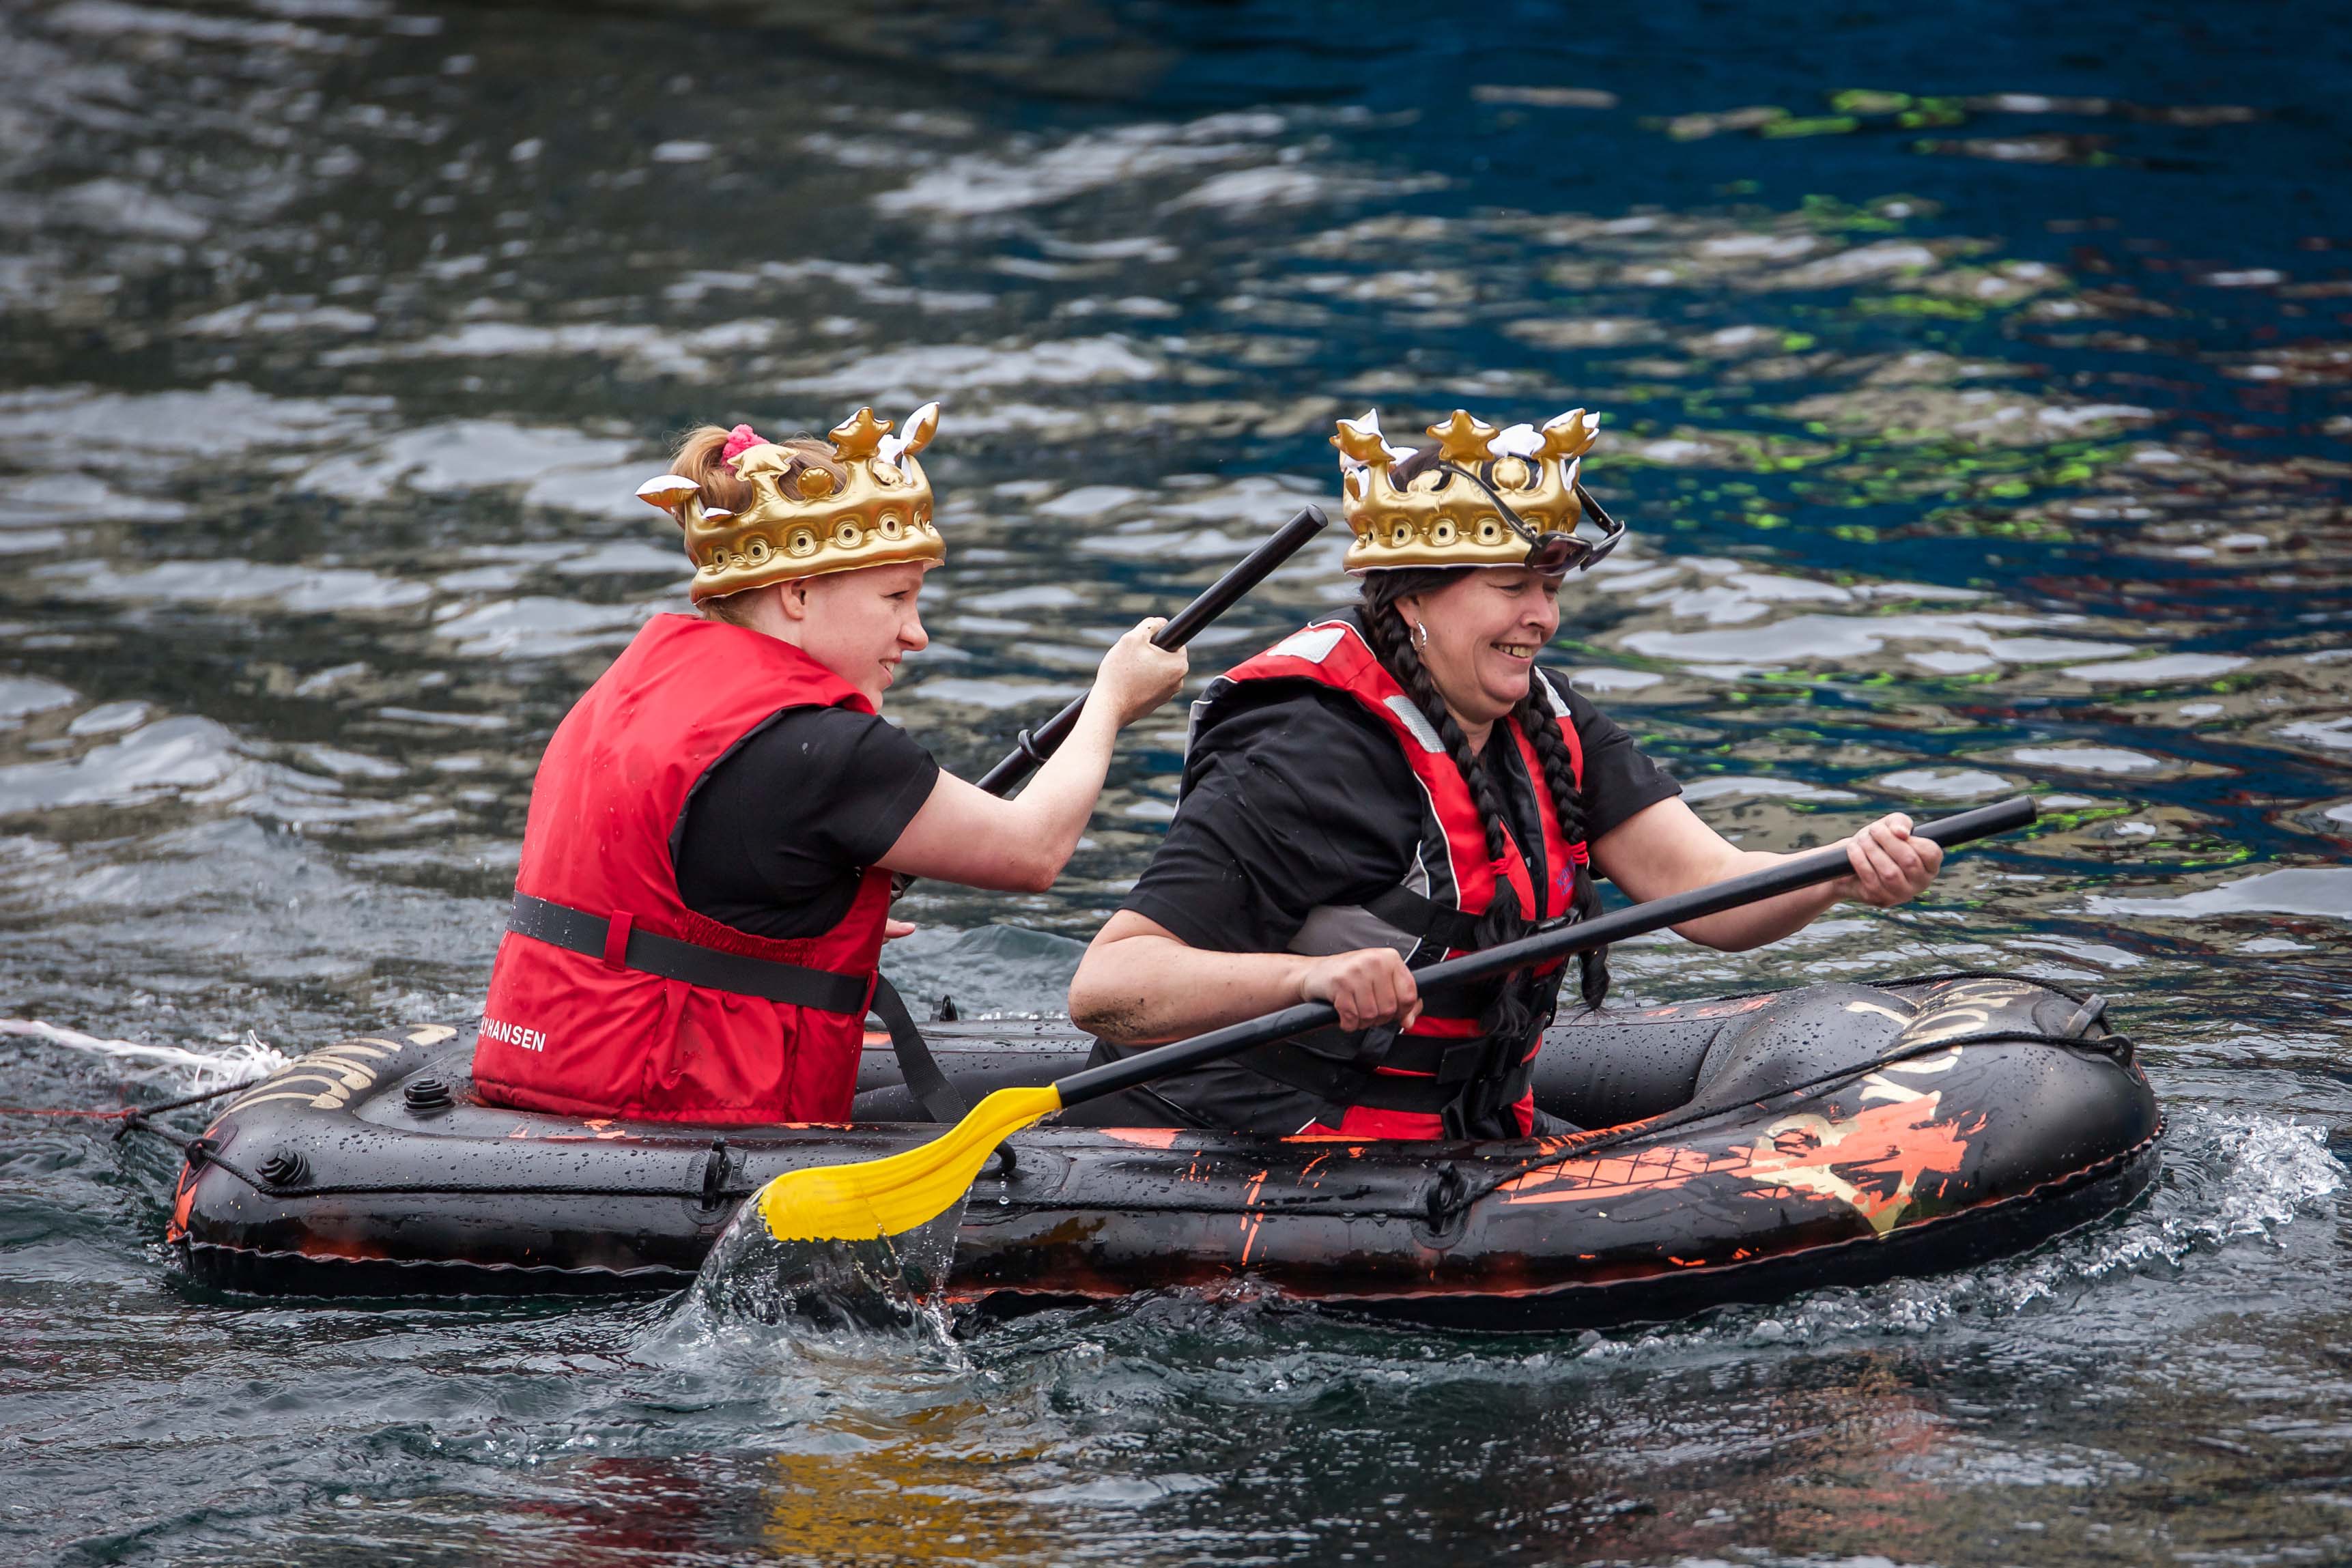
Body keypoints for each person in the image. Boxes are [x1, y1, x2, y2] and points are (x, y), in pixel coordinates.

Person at [1066, 407, 1943, 1139]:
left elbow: (1711, 889)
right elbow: (1108, 986)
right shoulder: (1307, 750)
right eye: (1510, 587)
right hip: (1238, 1129)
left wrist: (1844, 868)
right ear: (1411, 597)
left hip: (1457, 1130)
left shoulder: (1543, 719)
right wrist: (1309, 979)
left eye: (1551, 589)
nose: (1542, 617)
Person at [472, 403, 1187, 1126]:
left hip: (557, 1060)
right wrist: (1111, 701)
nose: (917, 632)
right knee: (1124, 1088)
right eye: (895, 596)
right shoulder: (825, 749)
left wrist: (797, 916)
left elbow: (687, 876)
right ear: (798, 593)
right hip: (671, 1102)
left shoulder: (632, 687)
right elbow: (1033, 850)